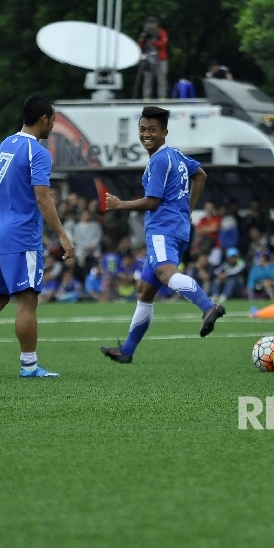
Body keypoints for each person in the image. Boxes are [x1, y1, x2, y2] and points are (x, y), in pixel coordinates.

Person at [99, 106, 225, 364]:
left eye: (152, 130)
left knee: (165, 274)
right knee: (145, 290)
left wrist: (120, 204)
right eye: (143, 129)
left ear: (164, 132)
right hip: (176, 228)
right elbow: (200, 175)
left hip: (162, 230)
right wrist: (187, 209)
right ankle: (127, 350)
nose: (146, 134)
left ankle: (208, 306)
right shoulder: (175, 155)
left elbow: (153, 201)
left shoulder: (158, 160)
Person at [0, 93, 74, 379]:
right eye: (52, 119)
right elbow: (42, 197)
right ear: (43, 119)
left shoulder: (5, 145)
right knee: (27, 301)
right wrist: (62, 234)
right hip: (21, 237)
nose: (52, 125)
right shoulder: (37, 152)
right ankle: (29, 365)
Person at [138, 17, 169, 99]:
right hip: (148, 59)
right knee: (147, 79)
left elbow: (163, 44)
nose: (150, 25)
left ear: (156, 24)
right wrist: (142, 38)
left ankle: (162, 96)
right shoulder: (145, 33)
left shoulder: (161, 33)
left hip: (160, 59)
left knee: (161, 78)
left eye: (152, 23)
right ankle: (146, 96)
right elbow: (140, 47)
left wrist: (152, 42)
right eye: (149, 23)